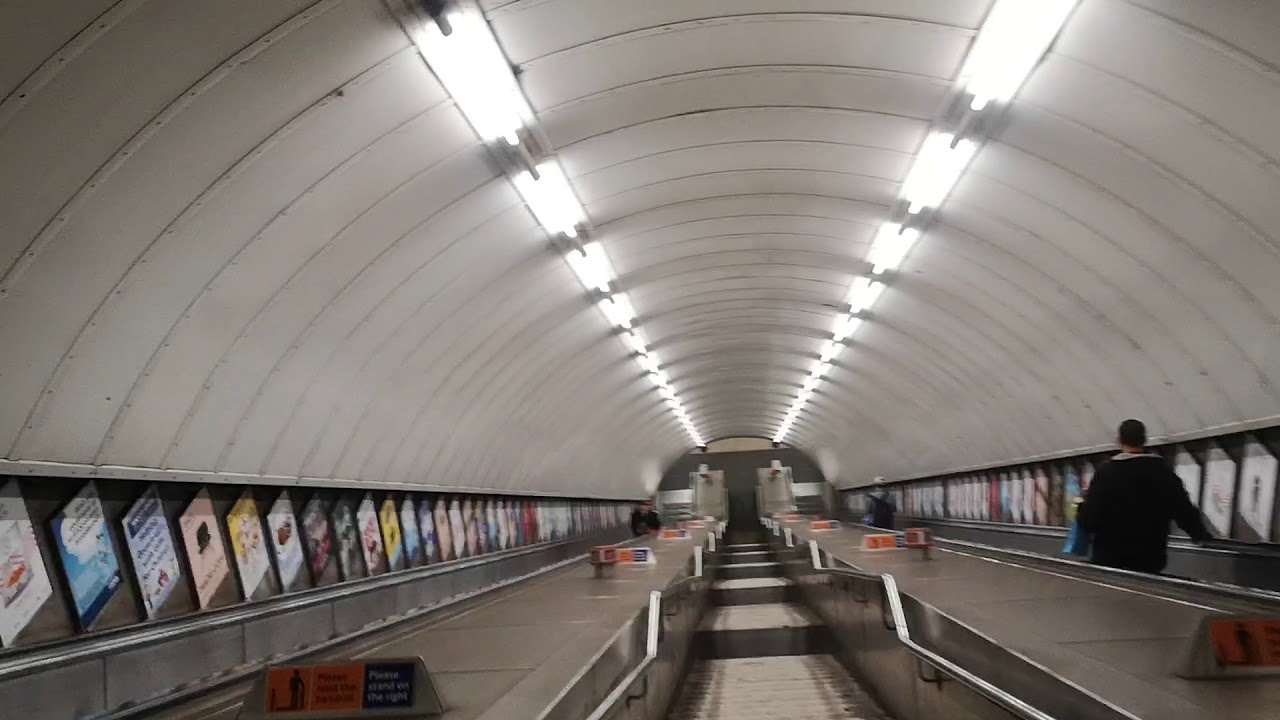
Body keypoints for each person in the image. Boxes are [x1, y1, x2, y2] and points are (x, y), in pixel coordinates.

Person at [1076, 419, 1211, 574]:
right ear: (1144, 440)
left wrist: (1081, 511)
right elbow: (1183, 510)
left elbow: (1090, 519)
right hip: (1149, 559)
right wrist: (1201, 535)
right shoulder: (1162, 471)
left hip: (1109, 559)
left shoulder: (1106, 473)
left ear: (1119, 441)